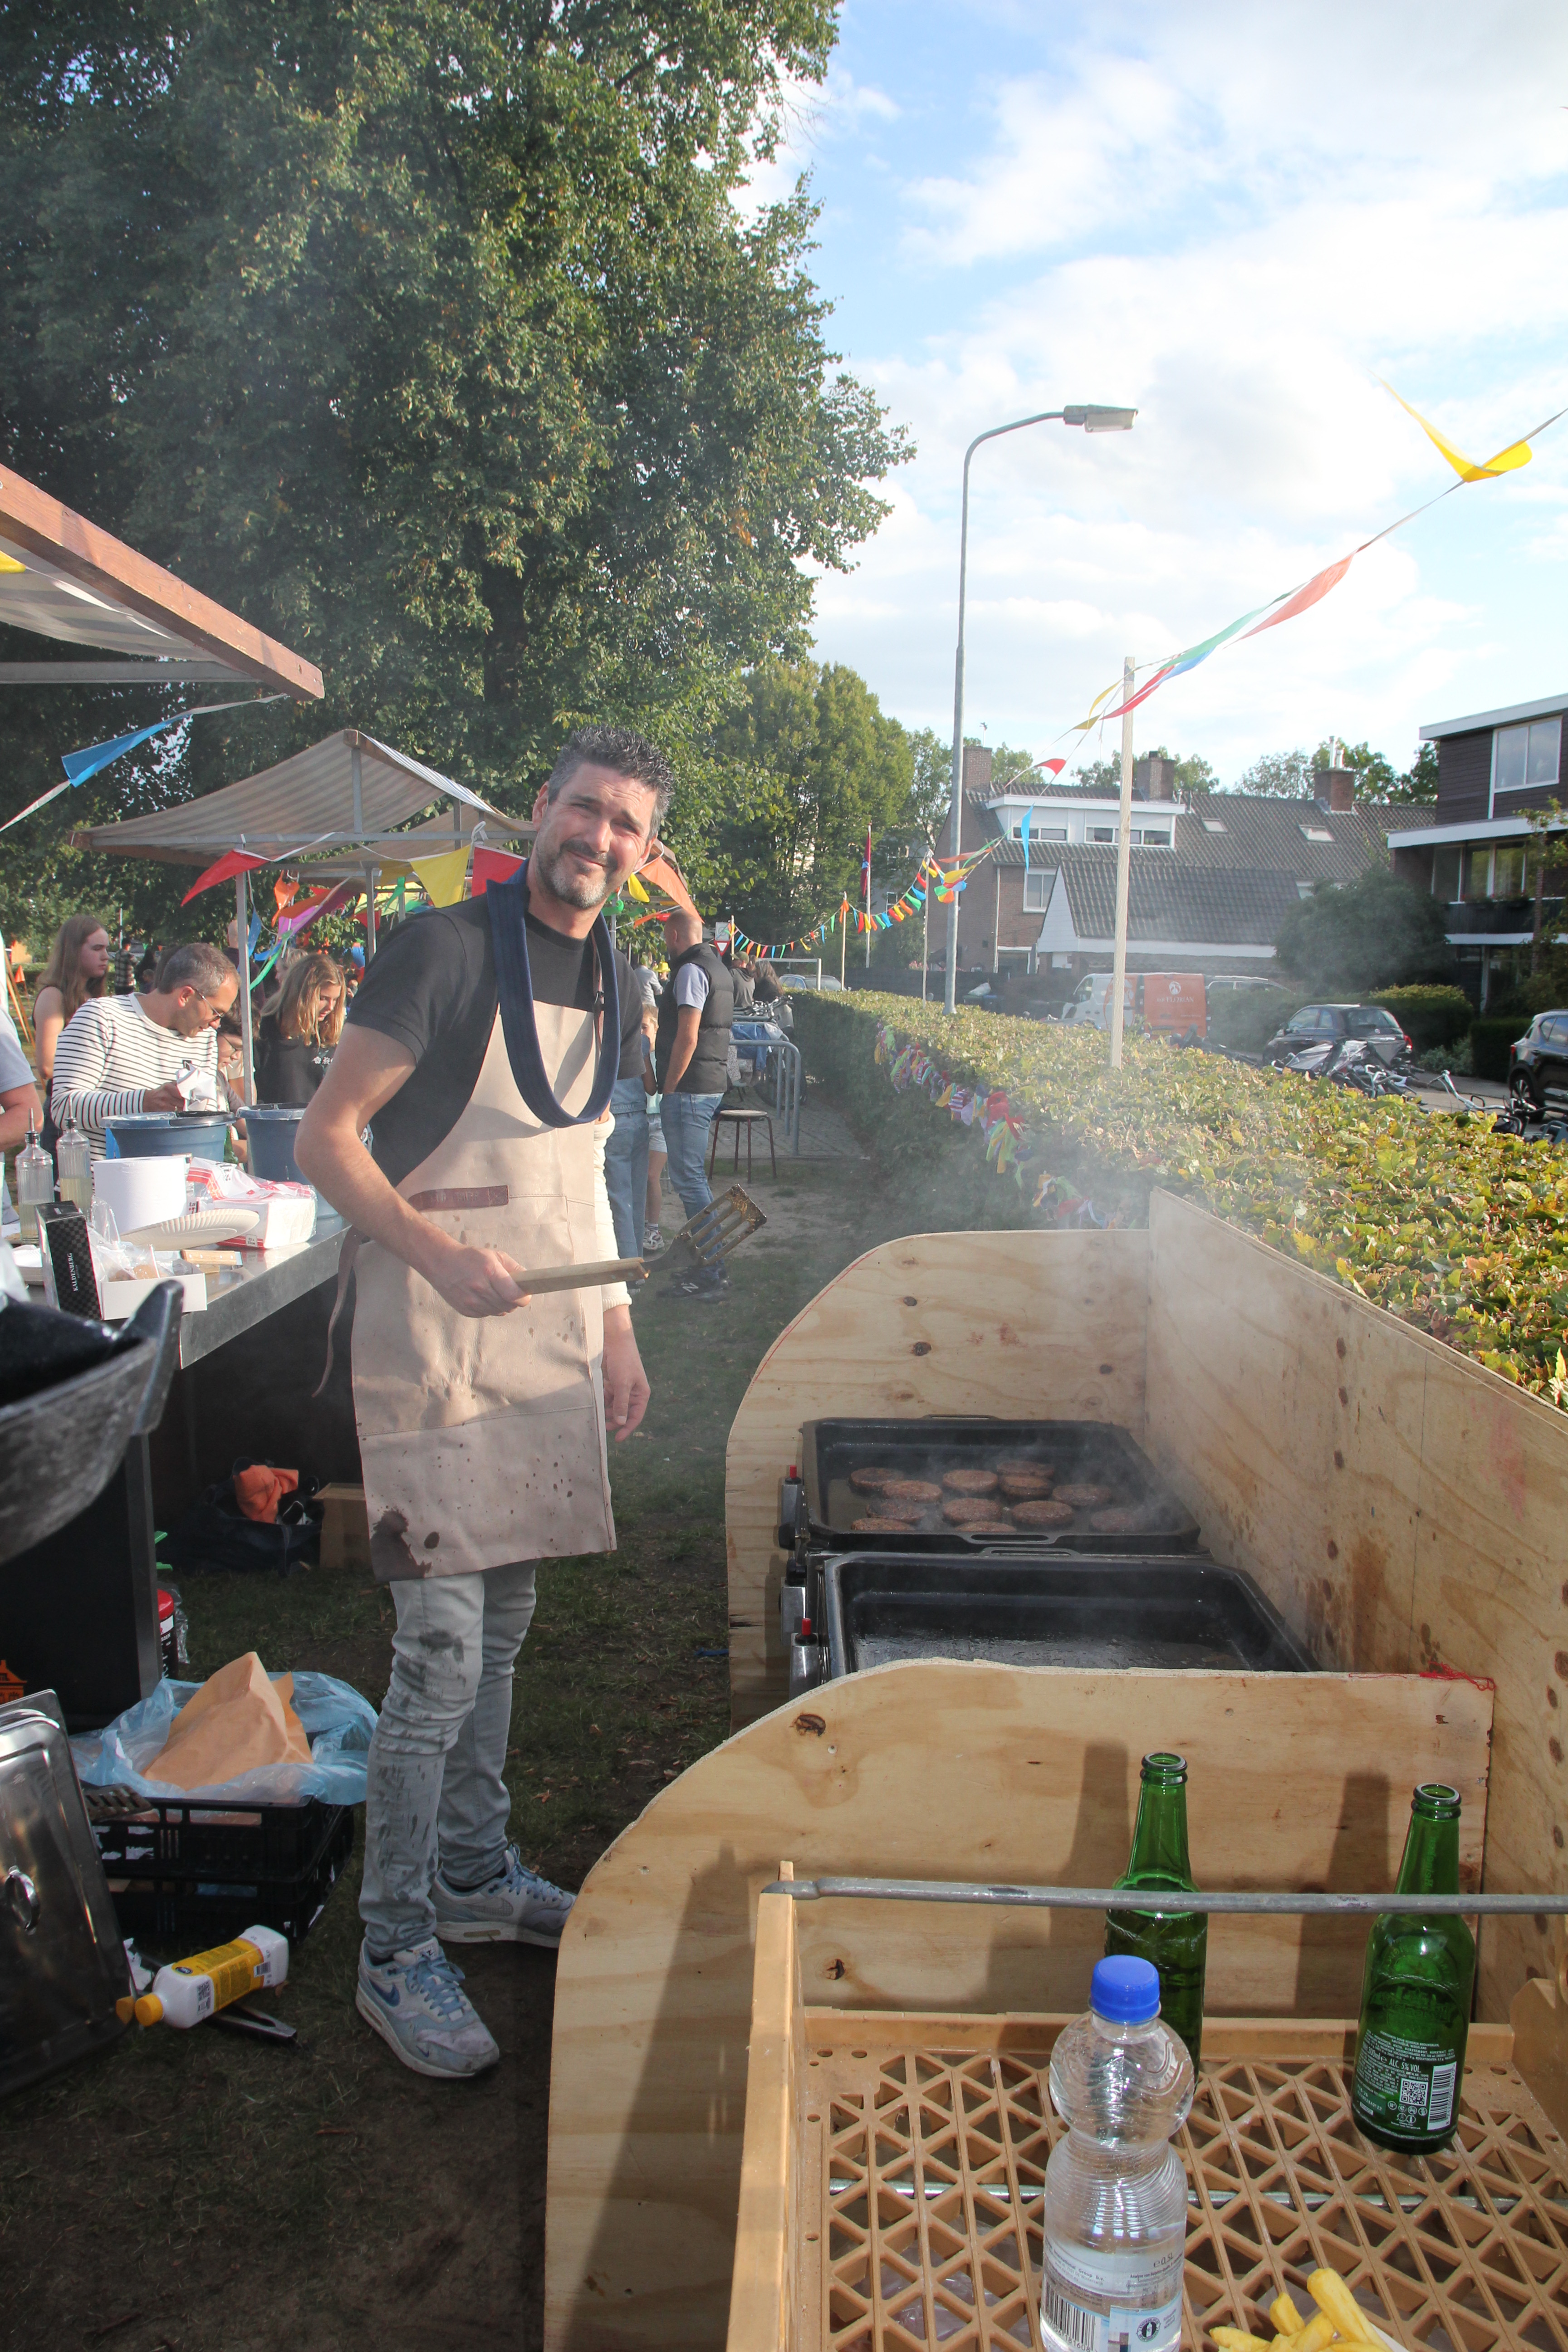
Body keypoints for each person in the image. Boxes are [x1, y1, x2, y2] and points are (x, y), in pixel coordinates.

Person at [295, 723, 663, 2081]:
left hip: (547, 1340)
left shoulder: (617, 972)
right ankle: (394, 1945)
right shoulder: (441, 951)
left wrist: (616, 1323)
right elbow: (325, 1138)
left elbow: (588, 1160)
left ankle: (470, 1874)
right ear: (539, 807)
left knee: (504, 1628)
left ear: (644, 851)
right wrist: (435, 1249)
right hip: (433, 1337)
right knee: (442, 1651)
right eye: (585, 809)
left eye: (626, 825)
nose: (599, 839)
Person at [50, 940, 238, 1159]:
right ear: (186, 996)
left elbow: (205, 1122)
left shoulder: (204, 1038)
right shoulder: (101, 1017)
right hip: (105, 1179)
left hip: (178, 1179)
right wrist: (143, 1103)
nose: (216, 1024)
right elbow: (63, 1108)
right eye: (216, 1012)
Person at [653, 910, 735, 1299]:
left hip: (689, 1088)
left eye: (665, 938)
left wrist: (669, 1088)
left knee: (689, 1179)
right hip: (707, 1083)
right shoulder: (717, 967)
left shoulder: (689, 971)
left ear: (674, 936)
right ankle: (710, 1265)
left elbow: (688, 1037)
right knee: (693, 1178)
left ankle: (711, 1271)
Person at [33, 915, 112, 1120]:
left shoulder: (92, 995)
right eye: (97, 949)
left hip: (94, 1107)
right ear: (73, 951)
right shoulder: (53, 996)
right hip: (65, 1111)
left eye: (107, 949)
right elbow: (47, 1065)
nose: (106, 957)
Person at [256, 953, 345, 1104]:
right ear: (301, 994)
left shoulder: (329, 1033)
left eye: (335, 1000)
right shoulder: (265, 1030)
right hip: (276, 1117)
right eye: (323, 998)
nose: (330, 1007)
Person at [642, 1005, 668, 1252]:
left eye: (644, 1028)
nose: (641, 1034)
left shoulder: (661, 1056)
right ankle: (642, 1226)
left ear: (656, 1029)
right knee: (641, 1176)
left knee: (652, 1176)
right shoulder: (635, 1055)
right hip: (640, 1119)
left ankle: (654, 1229)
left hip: (660, 1121)